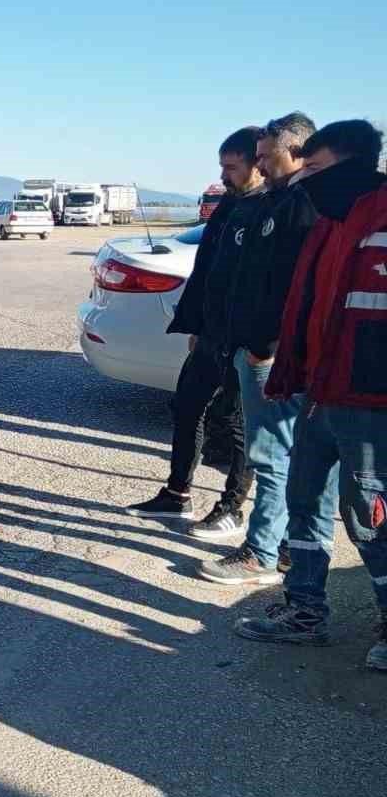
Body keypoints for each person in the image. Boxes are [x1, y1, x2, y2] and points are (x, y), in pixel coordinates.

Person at [236, 119, 387, 671]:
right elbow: (307, 304)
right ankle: (304, 611)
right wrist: (290, 370)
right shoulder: (330, 224)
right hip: (322, 392)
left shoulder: (379, 220)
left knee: (369, 512)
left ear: (352, 166)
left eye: (317, 169)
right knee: (305, 500)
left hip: (369, 403)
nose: (307, 180)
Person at [201, 113, 322, 584]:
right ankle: (287, 546)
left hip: (271, 356)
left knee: (272, 457)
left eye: (266, 156)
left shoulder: (303, 205)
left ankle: (262, 552)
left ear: (294, 152)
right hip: (256, 349)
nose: (260, 164)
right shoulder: (272, 202)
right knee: (282, 456)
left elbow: (297, 286)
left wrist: (265, 346)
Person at [125, 128, 264, 536]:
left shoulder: (268, 210)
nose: (223, 175)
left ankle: (232, 507)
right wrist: (197, 326)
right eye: (221, 166)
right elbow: (207, 272)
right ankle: (177, 494)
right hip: (210, 334)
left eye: (231, 167)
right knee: (186, 408)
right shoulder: (230, 206)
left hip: (243, 339)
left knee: (237, 422)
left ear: (257, 163)